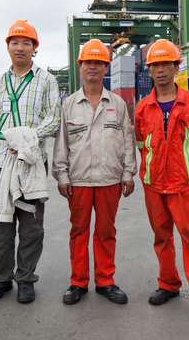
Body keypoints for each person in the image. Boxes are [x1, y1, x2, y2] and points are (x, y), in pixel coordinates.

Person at [134, 39, 189, 328]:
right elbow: (140, 144)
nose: (160, 70)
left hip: (184, 185)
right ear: (149, 70)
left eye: (165, 64)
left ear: (176, 66)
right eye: (154, 65)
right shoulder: (143, 108)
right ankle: (168, 284)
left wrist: (181, 161)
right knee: (162, 238)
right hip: (153, 184)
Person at [0, 20, 61, 304]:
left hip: (30, 163)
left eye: (26, 42)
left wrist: (25, 139)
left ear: (34, 48)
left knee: (31, 227)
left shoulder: (46, 80)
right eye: (15, 42)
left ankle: (25, 278)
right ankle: (1, 279)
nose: (20, 47)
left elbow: (54, 119)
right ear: (7, 47)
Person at [53, 39, 136, 305]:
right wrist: (62, 175)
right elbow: (61, 143)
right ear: (80, 67)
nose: (93, 67)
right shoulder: (68, 105)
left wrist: (128, 173)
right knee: (78, 231)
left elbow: (127, 140)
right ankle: (78, 282)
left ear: (105, 68)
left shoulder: (118, 104)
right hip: (78, 181)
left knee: (105, 232)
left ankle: (105, 281)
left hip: (109, 179)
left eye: (98, 63)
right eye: (88, 62)